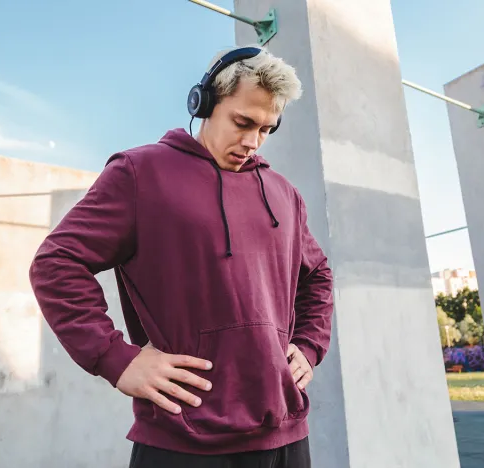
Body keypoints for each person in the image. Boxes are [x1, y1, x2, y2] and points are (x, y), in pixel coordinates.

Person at [29, 45, 334, 468]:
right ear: (205, 103)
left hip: (284, 434)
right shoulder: (139, 173)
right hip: (182, 441)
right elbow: (56, 263)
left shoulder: (284, 193)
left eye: (266, 128)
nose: (252, 141)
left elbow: (317, 274)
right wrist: (116, 358)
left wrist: (309, 344)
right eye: (242, 122)